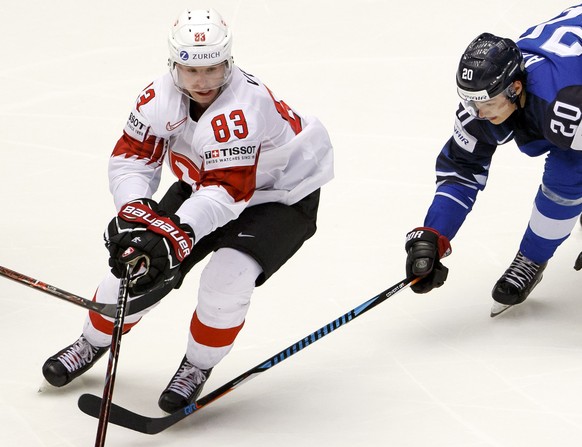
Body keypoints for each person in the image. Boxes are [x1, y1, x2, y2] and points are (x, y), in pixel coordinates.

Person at [42, 8, 334, 412]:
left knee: (228, 276)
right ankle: (91, 342)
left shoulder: (241, 111)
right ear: (173, 63)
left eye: (214, 69)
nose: (201, 82)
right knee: (140, 262)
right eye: (190, 70)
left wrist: (176, 233)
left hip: (281, 194)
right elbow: (133, 158)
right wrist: (134, 214)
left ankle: (197, 365)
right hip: (205, 181)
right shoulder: (157, 97)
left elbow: (228, 191)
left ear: (229, 62)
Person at [404, 4, 582, 316]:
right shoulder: (487, 104)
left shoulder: (563, 103)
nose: (478, 113)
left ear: (515, 88)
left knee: (567, 174)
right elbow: (461, 171)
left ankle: (532, 257)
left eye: (485, 102)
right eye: (469, 100)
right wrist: (434, 234)